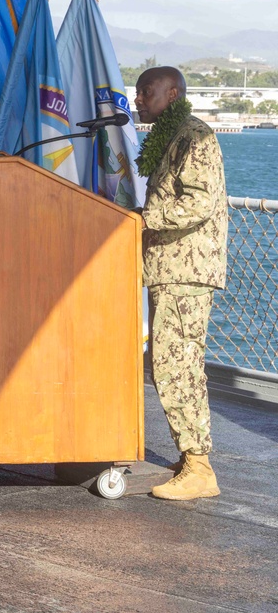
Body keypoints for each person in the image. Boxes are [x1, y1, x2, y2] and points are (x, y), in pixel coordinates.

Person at [134, 66, 227, 500]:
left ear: (172, 94)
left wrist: (142, 220)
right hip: (169, 269)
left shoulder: (194, 135)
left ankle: (199, 468)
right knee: (172, 362)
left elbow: (200, 202)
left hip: (186, 271)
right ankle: (191, 458)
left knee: (176, 363)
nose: (138, 100)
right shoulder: (172, 135)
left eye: (145, 92)